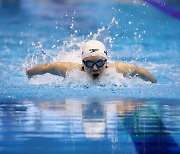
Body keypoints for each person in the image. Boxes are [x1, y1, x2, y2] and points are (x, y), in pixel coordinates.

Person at [26, 40, 157, 83]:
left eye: (99, 63)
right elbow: (48, 66)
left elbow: (138, 70)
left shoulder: (117, 70)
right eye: (89, 63)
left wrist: (154, 82)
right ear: (82, 64)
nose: (95, 68)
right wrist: (29, 72)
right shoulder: (71, 71)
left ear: (106, 62)